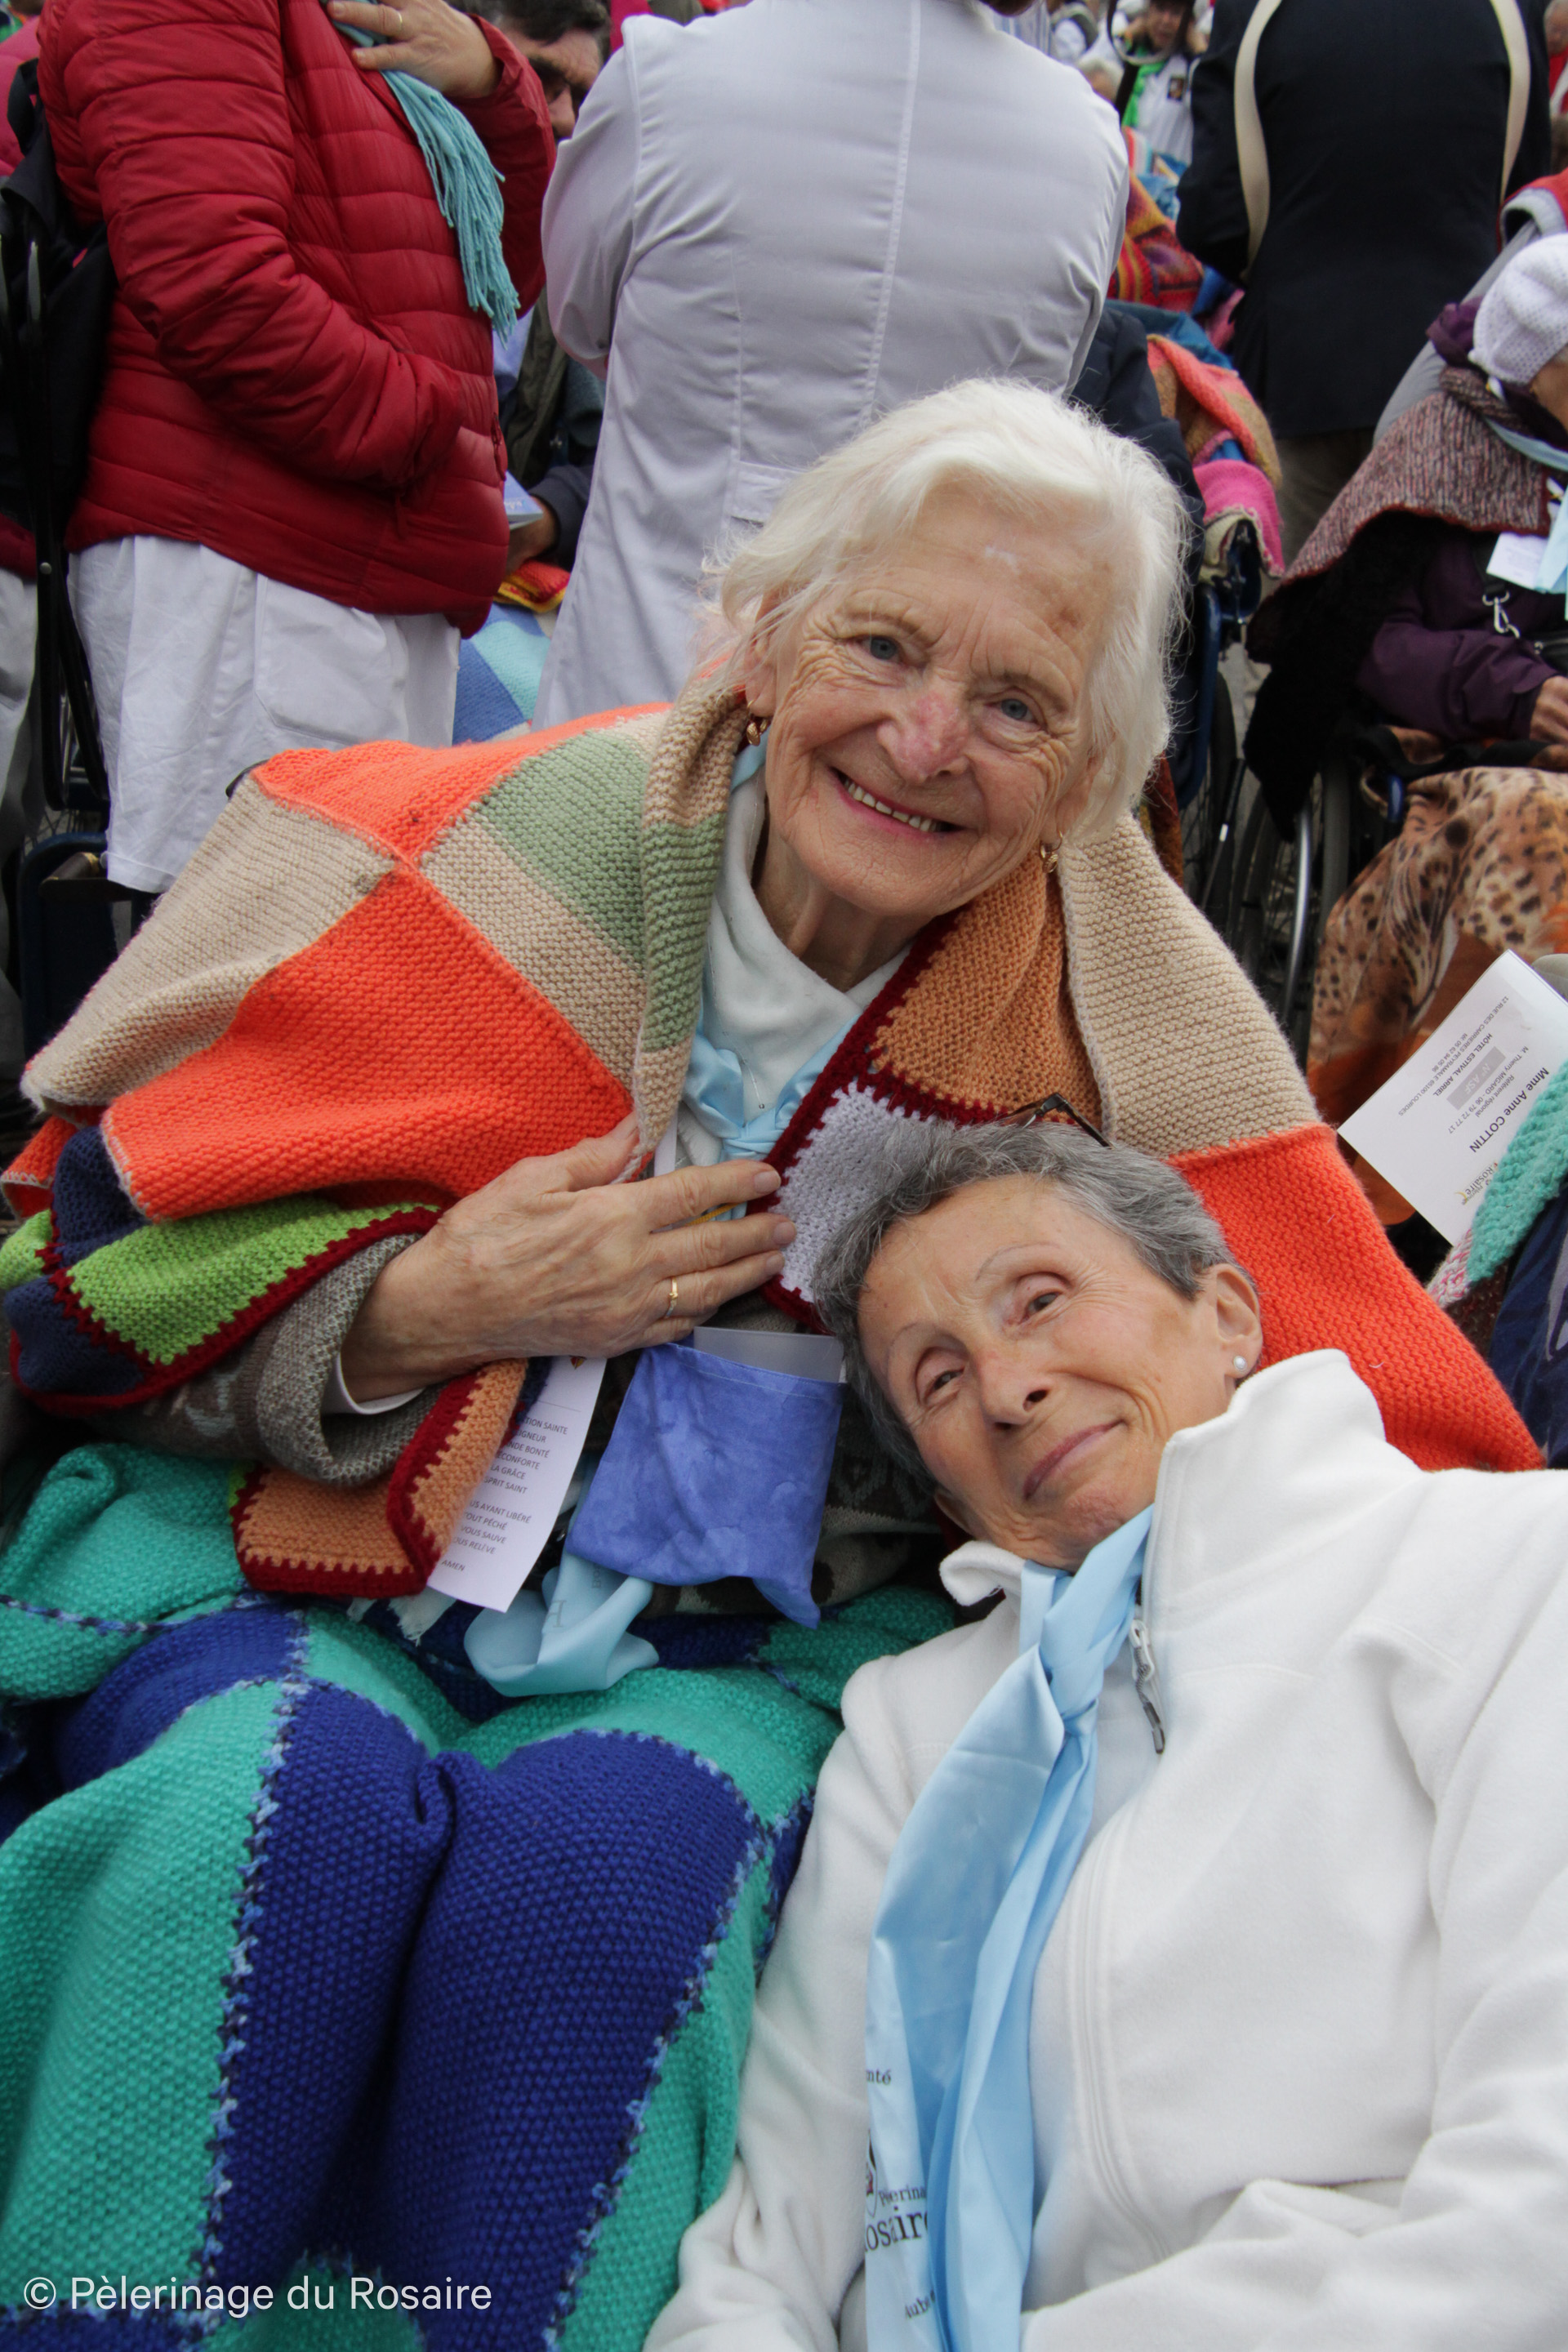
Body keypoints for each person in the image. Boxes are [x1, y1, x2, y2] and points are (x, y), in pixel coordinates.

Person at [0, 385, 1533, 2345]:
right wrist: (419, 1306)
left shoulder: (1136, 1018)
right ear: (762, 632)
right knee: (255, 1818)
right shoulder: (464, 851)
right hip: (305, 1549)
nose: (922, 740)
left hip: (757, 1652)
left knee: (615, 1890)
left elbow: (1366, 1440)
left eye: (1016, 701)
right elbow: (73, 1274)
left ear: (1096, 777)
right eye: (880, 646)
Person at [648, 1120, 1568, 2352]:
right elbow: (768, 2253)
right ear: (945, 1495)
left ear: (1227, 1312)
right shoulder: (913, 1729)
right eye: (938, 1380)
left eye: (1041, 1300)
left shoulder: (1509, 1571)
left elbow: (1538, 2194)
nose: (1007, 1389)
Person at [37, 0, 554, 897]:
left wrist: (492, 83)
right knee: (254, 953)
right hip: (259, 561)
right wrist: (435, 421)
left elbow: (499, 273)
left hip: (363, 552)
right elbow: (215, 284)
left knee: (336, 951)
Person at [528, 0, 1129, 727]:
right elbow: (1044, 398)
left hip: (646, 668)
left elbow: (579, 318)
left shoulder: (666, 82)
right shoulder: (1084, 142)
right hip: (908, 714)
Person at [1246, 239, 1568, 1184]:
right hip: (1466, 755)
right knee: (1535, 831)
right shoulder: (1439, 449)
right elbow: (1360, 639)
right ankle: (1451, 1162)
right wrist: (1518, 691)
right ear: (1541, 365)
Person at [1178, 0, 1551, 564]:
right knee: (1438, 608)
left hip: (1300, 370)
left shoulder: (1255, 10)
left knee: (1289, 606)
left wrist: (1283, 270)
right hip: (1457, 380)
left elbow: (1214, 215)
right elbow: (1527, 209)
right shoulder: (1509, 11)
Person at [1084, 0, 1205, 166]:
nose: (1165, 21)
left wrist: (1200, 49)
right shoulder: (1130, 56)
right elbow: (1086, 73)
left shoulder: (1190, 67)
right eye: (1160, 9)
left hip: (1166, 176)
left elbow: (1210, 97)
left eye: (1176, 13)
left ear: (1190, 22)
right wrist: (1127, 35)